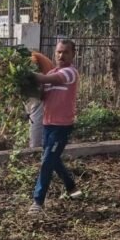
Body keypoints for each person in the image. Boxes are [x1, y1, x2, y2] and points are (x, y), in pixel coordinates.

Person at [29, 39, 82, 216]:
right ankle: (72, 188)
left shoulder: (70, 73)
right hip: (48, 124)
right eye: (59, 52)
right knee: (52, 159)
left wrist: (25, 74)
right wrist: (26, 88)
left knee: (47, 161)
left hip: (62, 126)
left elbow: (48, 79)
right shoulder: (51, 72)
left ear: (73, 54)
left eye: (65, 52)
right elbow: (43, 95)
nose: (61, 55)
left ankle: (38, 202)